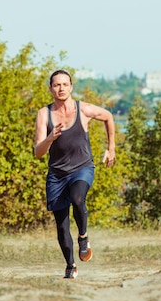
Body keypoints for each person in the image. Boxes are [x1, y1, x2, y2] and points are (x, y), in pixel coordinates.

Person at [34, 70, 116, 279]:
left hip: (82, 168)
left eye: (65, 84)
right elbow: (38, 152)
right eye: (56, 85)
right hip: (57, 175)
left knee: (78, 198)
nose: (61, 88)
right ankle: (70, 266)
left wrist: (111, 148)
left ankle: (83, 236)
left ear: (71, 87)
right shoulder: (44, 114)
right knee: (61, 226)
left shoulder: (83, 109)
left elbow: (108, 117)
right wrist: (50, 138)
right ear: (50, 88)